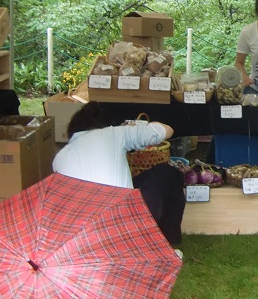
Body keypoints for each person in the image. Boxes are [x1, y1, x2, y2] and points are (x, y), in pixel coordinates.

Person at [52, 101, 186, 249]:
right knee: (166, 173)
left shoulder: (60, 157)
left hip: (81, 232)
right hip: (122, 223)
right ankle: (166, 243)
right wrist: (132, 129)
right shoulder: (114, 133)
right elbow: (166, 130)